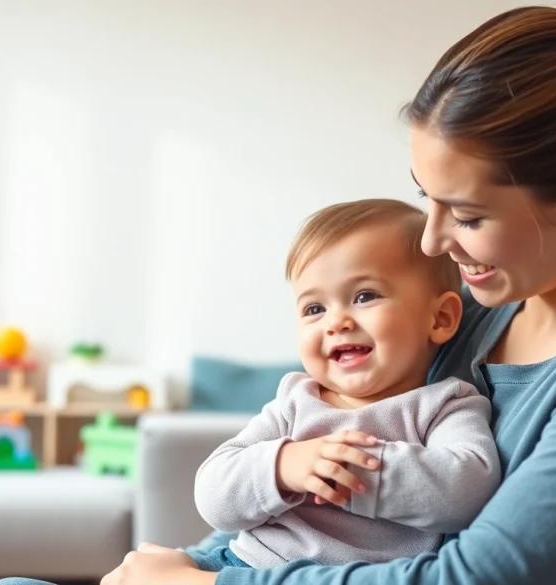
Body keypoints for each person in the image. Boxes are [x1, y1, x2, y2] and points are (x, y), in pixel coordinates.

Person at [0, 5, 556, 585]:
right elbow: (299, 468)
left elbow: (484, 578)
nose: (431, 241)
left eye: (470, 214)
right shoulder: (486, 310)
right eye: (426, 198)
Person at [188, 199, 501, 571]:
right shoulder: (296, 401)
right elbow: (213, 496)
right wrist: (284, 466)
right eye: (314, 309)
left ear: (440, 318)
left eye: (364, 296)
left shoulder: (445, 405)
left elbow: (467, 488)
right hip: (244, 565)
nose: (335, 322)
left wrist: (349, 469)